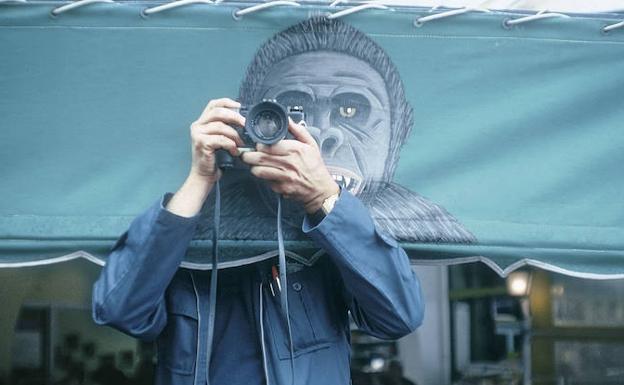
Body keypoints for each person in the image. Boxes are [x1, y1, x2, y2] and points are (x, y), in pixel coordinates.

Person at [92, 18, 425, 385]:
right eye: (287, 111)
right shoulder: (189, 236)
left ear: (400, 131)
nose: (322, 133)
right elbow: (119, 310)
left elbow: (399, 315)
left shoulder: (333, 240)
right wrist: (199, 179)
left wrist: (323, 198)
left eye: (351, 111)